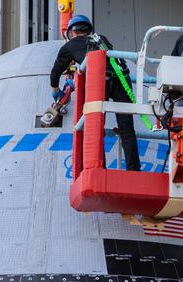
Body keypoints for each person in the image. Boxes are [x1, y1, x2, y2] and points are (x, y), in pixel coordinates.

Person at [46, 15, 141, 171]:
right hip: (122, 80)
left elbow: (55, 72)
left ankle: (99, 168)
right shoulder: (101, 39)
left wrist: (56, 90)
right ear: (88, 30)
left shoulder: (69, 46)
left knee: (96, 127)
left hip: (99, 81)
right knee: (126, 128)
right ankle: (134, 169)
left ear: (71, 33)